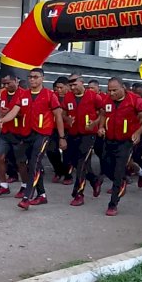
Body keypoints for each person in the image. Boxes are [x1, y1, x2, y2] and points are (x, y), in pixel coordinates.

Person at [97, 77, 142, 216]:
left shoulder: (135, 100)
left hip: (126, 141)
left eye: (114, 90)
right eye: (109, 90)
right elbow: (103, 113)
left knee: (119, 171)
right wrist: (102, 127)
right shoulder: (107, 100)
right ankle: (141, 173)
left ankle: (113, 204)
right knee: (106, 165)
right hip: (109, 139)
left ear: (123, 88)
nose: (111, 93)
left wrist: (138, 133)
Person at [18, 68, 67, 209]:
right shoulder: (24, 95)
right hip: (28, 134)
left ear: (42, 78)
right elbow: (15, 110)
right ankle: (42, 195)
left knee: (35, 162)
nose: (32, 79)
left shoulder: (50, 95)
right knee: (32, 165)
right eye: (30, 77)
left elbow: (58, 117)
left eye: (35, 77)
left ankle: (27, 197)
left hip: (44, 134)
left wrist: (62, 137)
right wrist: (2, 120)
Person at [64, 73, 104, 206]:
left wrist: (96, 124)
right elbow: (63, 112)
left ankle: (78, 194)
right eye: (71, 85)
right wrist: (67, 119)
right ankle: (94, 180)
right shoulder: (68, 97)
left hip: (88, 135)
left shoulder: (94, 97)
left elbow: (103, 112)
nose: (73, 87)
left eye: (75, 84)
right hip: (73, 134)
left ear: (82, 83)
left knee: (82, 162)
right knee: (76, 162)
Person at [0, 73, 30, 198]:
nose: (6, 86)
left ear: (16, 81)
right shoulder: (2, 93)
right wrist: (0, 120)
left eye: (8, 83)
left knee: (21, 162)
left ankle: (25, 186)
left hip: (19, 133)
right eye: (4, 83)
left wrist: (13, 114)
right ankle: (3, 185)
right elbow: (2, 111)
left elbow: (28, 115)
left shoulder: (24, 94)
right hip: (5, 132)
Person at [48, 76, 73, 185]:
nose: (59, 90)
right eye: (57, 88)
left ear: (68, 87)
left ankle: (68, 175)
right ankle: (59, 171)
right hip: (54, 129)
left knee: (67, 154)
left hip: (69, 130)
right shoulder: (53, 97)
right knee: (51, 150)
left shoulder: (72, 97)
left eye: (61, 87)